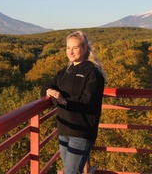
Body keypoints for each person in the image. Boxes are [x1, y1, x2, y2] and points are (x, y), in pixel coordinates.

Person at [41, 31, 106, 174]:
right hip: (64, 129)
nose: (70, 51)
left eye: (75, 48)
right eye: (68, 48)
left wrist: (64, 102)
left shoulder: (93, 72)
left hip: (82, 131)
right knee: (69, 171)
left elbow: (88, 101)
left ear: (84, 49)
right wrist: (49, 91)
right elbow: (47, 84)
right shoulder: (66, 70)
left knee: (70, 172)